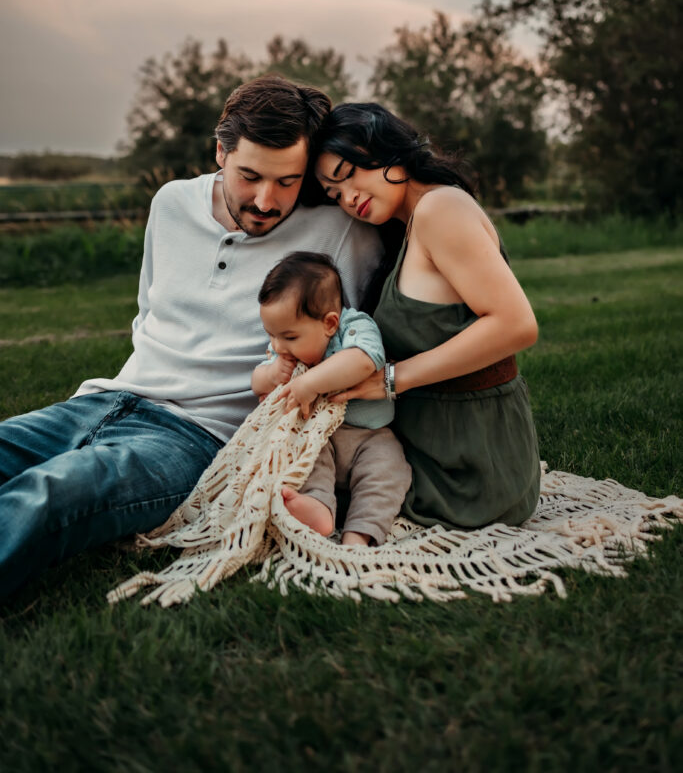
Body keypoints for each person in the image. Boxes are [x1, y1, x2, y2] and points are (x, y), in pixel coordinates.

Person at [0, 77, 382, 597]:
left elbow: (369, 336)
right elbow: (146, 316)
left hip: (195, 439)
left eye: (288, 182)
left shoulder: (341, 231)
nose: (267, 201)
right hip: (103, 399)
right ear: (220, 151)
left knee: (51, 492)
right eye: (249, 176)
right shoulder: (172, 203)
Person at [312, 102, 541, 531]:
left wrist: (390, 380)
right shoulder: (408, 226)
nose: (347, 198)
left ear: (384, 147)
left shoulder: (441, 210)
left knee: (298, 487)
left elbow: (516, 324)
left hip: (469, 468)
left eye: (347, 175)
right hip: (432, 446)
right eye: (334, 195)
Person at [252, 251, 411, 547]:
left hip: (369, 435)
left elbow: (366, 360)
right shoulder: (283, 350)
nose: (278, 345)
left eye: (289, 337)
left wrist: (310, 382)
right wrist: (272, 374)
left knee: (388, 471)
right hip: (316, 437)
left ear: (329, 323)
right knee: (305, 463)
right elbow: (256, 380)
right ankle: (318, 508)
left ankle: (360, 531)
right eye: (271, 335)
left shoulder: (354, 327)